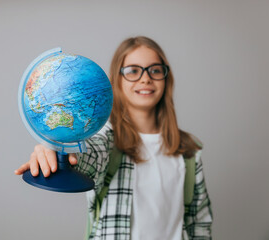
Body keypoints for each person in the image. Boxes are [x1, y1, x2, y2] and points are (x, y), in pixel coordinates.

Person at [15, 36, 213, 240]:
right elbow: (90, 156)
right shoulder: (107, 140)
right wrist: (57, 150)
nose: (146, 79)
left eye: (155, 70)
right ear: (117, 81)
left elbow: (199, 223)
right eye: (133, 71)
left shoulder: (190, 149)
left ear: (166, 78)